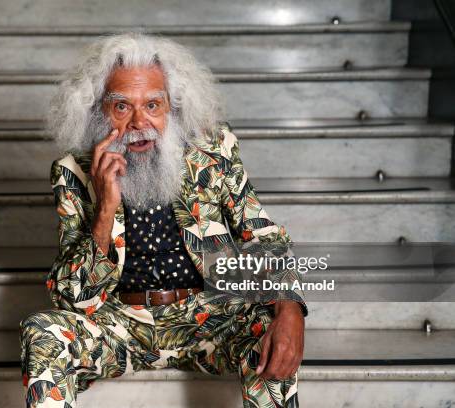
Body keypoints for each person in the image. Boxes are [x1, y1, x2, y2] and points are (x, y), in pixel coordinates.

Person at [19, 32, 307, 408]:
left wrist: (290, 308)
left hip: (205, 317)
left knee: (268, 325)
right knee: (41, 331)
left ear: (173, 107)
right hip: (117, 324)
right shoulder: (73, 172)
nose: (140, 121)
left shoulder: (213, 152)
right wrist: (105, 207)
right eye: (121, 107)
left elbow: (262, 234)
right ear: (96, 111)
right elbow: (71, 299)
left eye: (153, 105)